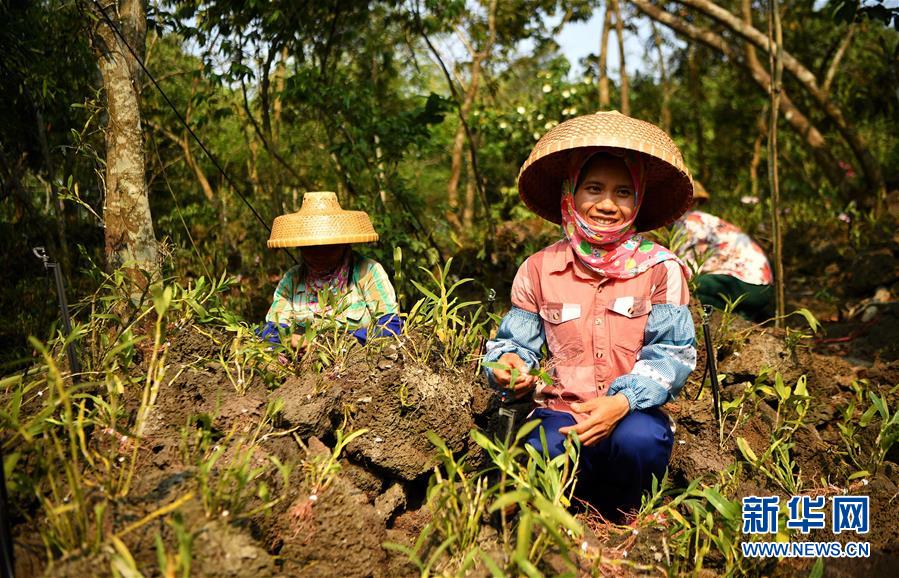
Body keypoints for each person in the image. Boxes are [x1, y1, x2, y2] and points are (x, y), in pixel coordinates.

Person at [483, 111, 697, 520]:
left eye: (623, 193)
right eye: (594, 189)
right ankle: (560, 519)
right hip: (561, 414)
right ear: (571, 194)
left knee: (640, 443)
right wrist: (507, 365)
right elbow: (515, 345)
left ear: (638, 200)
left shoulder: (662, 268)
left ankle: (626, 518)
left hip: (629, 414)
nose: (606, 205)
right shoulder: (538, 269)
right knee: (539, 446)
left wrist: (621, 402)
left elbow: (672, 355)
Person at [259, 192, 401, 347]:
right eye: (311, 248)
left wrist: (338, 343)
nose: (319, 254)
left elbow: (391, 326)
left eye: (329, 247)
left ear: (343, 243)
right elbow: (271, 330)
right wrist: (290, 339)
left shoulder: (367, 272)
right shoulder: (292, 280)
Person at [674, 182, 774, 321]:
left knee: (685, 288)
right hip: (761, 288)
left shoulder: (691, 221)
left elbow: (690, 267)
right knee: (698, 296)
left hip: (745, 284)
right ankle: (743, 317)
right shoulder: (706, 219)